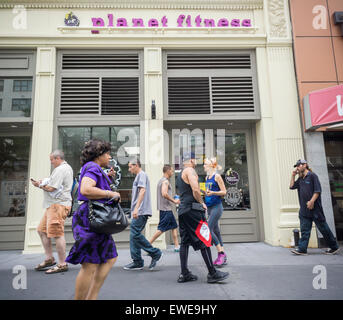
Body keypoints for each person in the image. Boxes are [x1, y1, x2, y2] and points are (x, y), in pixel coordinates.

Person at [65, 139, 120, 300]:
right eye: (108, 153)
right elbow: (86, 189)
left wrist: (107, 179)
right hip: (90, 219)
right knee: (90, 264)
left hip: (94, 220)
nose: (110, 157)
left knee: (110, 258)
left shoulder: (94, 169)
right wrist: (111, 193)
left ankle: (91, 297)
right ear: (98, 154)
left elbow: (93, 188)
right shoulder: (93, 167)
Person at [176, 152, 229, 283]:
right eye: (195, 160)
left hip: (183, 210)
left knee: (185, 242)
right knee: (204, 238)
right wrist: (201, 203)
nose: (196, 162)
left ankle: (184, 273)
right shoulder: (190, 171)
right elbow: (195, 189)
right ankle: (212, 273)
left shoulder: (180, 173)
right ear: (192, 160)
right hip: (192, 210)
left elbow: (188, 190)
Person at [31, 150, 73, 274]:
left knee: (57, 234)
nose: (51, 162)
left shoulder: (61, 169)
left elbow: (52, 188)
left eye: (52, 160)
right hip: (53, 205)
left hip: (57, 205)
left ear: (58, 158)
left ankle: (62, 264)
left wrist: (38, 185)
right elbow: (54, 184)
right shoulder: (63, 169)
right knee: (41, 230)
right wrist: (44, 182)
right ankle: (49, 259)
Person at [289, 159, 340, 255]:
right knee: (304, 230)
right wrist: (293, 175)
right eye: (297, 166)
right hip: (304, 210)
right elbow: (291, 186)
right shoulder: (300, 179)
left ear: (305, 165)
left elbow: (317, 190)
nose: (297, 167)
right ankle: (302, 249)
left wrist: (312, 201)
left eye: (299, 165)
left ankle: (334, 247)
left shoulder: (312, 176)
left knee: (324, 229)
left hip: (315, 209)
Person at [123, 159, 163, 271]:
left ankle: (155, 253)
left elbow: (142, 191)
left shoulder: (141, 175)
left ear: (136, 165)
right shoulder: (139, 176)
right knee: (133, 235)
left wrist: (136, 209)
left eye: (130, 167)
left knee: (134, 234)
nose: (129, 169)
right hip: (139, 211)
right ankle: (137, 261)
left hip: (141, 211)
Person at [149, 164, 180, 252]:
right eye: (172, 171)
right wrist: (174, 201)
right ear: (168, 171)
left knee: (174, 226)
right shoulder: (165, 181)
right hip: (166, 209)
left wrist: (173, 198)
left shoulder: (161, 181)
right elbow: (164, 193)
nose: (173, 172)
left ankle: (177, 246)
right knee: (161, 229)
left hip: (166, 209)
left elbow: (165, 194)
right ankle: (147, 244)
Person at [203, 157, 227, 266]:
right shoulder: (207, 177)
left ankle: (221, 253)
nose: (204, 166)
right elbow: (208, 192)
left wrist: (213, 193)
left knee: (208, 229)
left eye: (206, 164)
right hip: (209, 207)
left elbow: (224, 192)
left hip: (217, 207)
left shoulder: (217, 176)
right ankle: (223, 256)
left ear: (212, 166)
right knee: (216, 232)